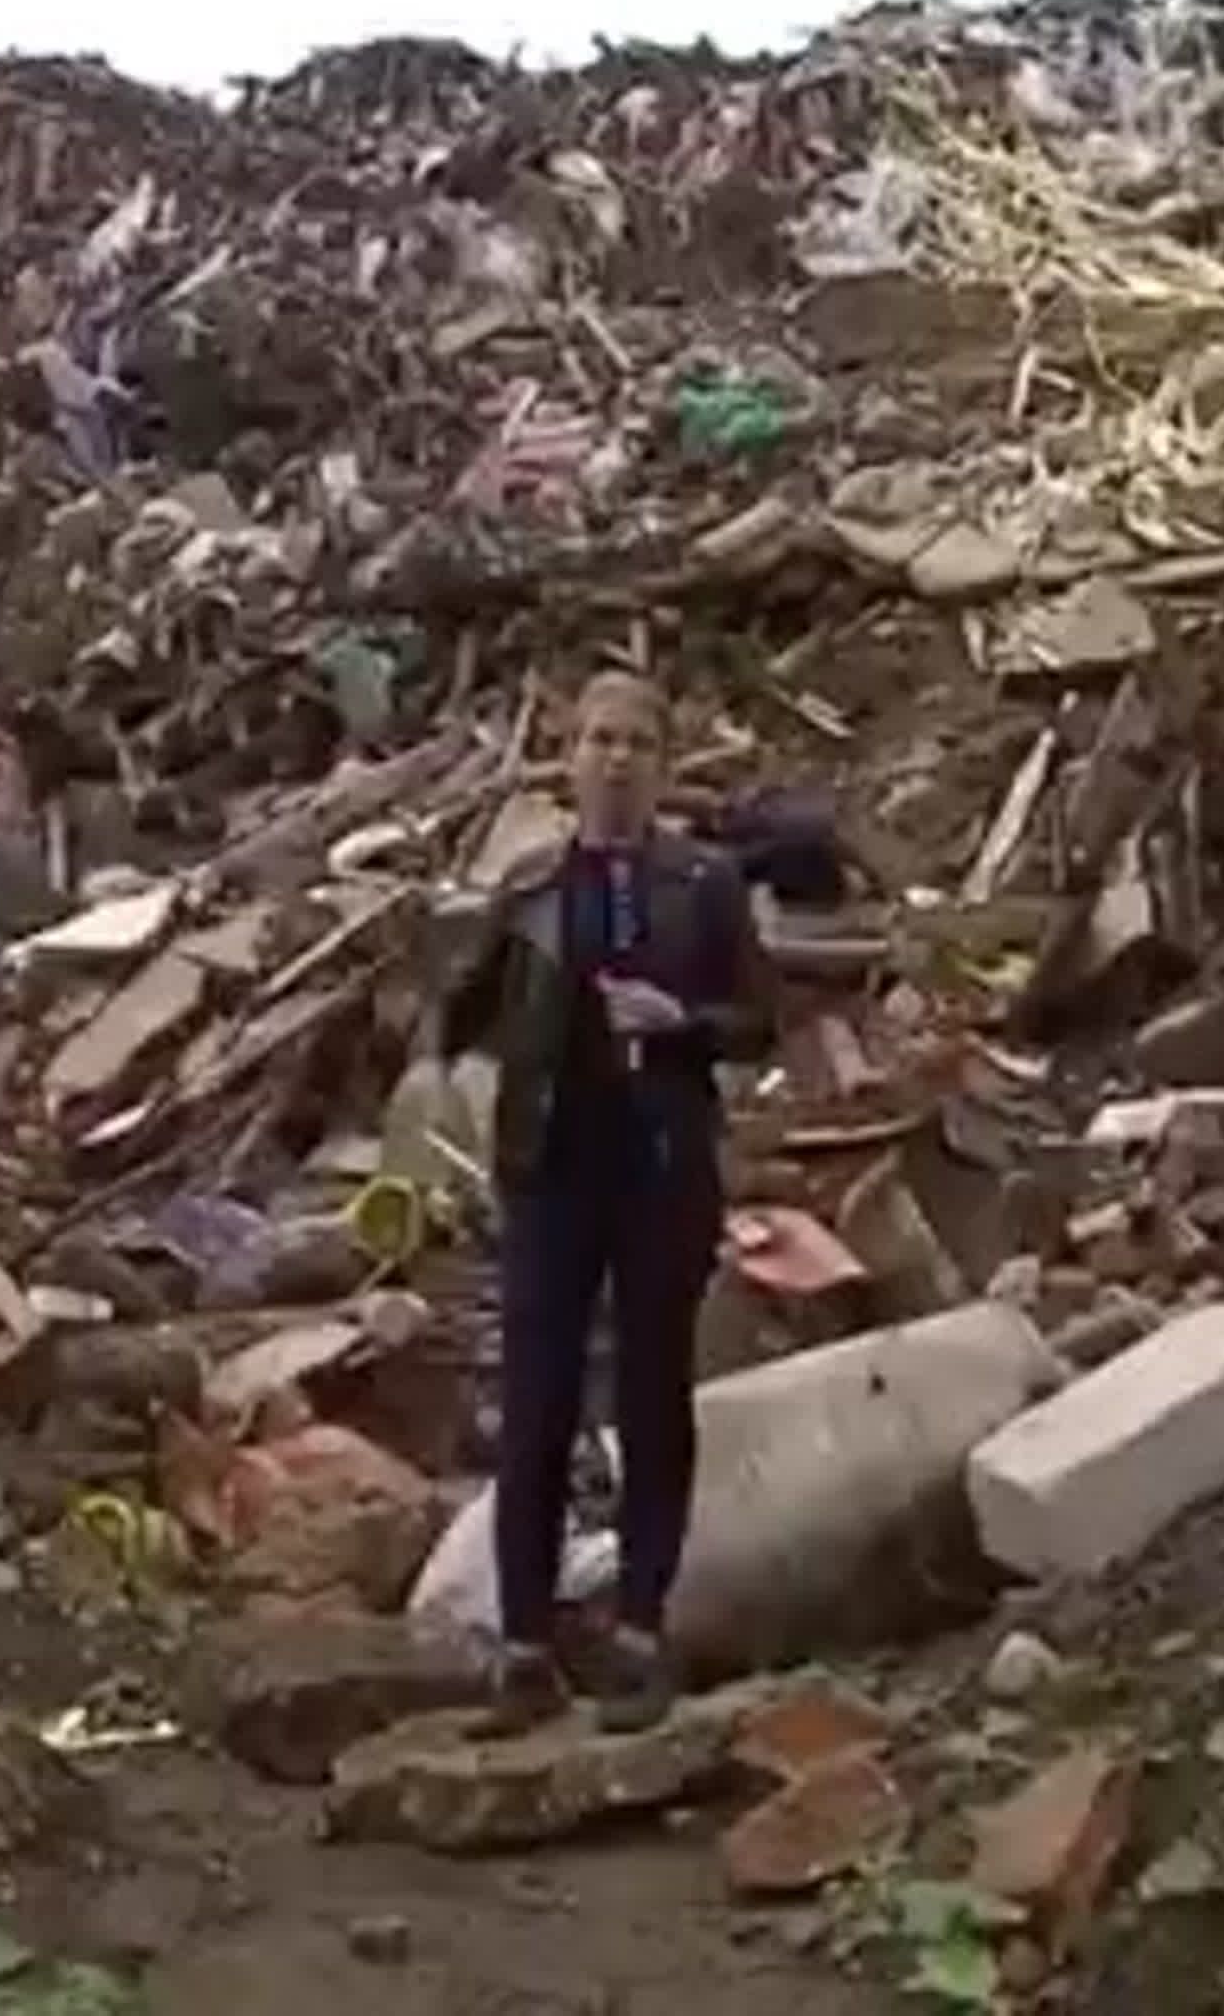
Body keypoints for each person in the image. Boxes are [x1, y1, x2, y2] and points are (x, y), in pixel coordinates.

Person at [435, 670, 778, 1731]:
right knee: (535, 1401)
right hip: (551, 1169)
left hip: (661, 1166)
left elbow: (757, 1021)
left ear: (664, 765)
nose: (615, 758)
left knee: (651, 1396)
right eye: (597, 739)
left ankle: (639, 1628)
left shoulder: (705, 884)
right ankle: (525, 1648)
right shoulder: (531, 887)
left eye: (636, 740)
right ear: (568, 758)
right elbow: (457, 1014)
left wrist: (679, 1024)